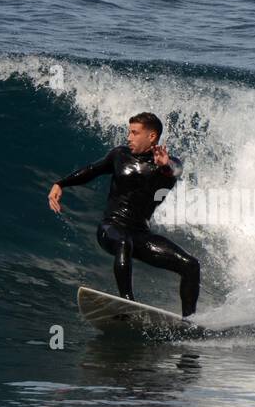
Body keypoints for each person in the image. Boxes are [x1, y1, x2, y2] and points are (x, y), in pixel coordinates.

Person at [48, 113, 201, 318]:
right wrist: (61, 183)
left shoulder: (169, 164)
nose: (129, 137)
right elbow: (92, 170)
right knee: (123, 242)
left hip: (140, 233)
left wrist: (164, 165)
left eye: (134, 133)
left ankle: (188, 321)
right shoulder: (119, 155)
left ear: (151, 136)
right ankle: (127, 303)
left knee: (191, 265)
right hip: (111, 228)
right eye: (129, 131)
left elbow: (172, 171)